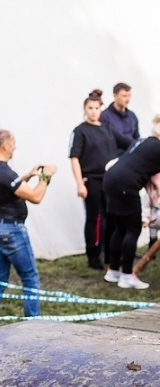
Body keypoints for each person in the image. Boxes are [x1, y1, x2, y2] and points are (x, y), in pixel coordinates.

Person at [0, 130, 56, 331]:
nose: (15, 146)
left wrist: (28, 176)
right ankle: (34, 326)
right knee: (30, 278)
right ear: (4, 145)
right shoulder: (6, 172)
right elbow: (35, 197)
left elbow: (6, 187)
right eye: (13, 142)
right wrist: (45, 177)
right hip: (11, 231)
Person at [103, 116, 160, 290]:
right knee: (132, 229)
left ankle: (113, 271)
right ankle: (127, 275)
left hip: (111, 179)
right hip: (126, 185)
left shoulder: (143, 141)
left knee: (120, 227)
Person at [68, 89, 119, 269]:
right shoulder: (80, 131)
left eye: (97, 108)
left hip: (109, 180)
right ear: (85, 109)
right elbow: (74, 157)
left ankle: (109, 253)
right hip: (92, 180)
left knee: (111, 216)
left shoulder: (107, 130)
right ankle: (93, 254)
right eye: (90, 108)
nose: (93, 111)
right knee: (94, 218)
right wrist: (80, 183)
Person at [100, 82, 140, 151]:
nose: (127, 99)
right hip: (115, 156)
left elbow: (137, 137)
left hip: (132, 155)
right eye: (124, 96)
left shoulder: (132, 116)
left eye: (129, 95)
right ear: (115, 96)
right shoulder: (104, 116)